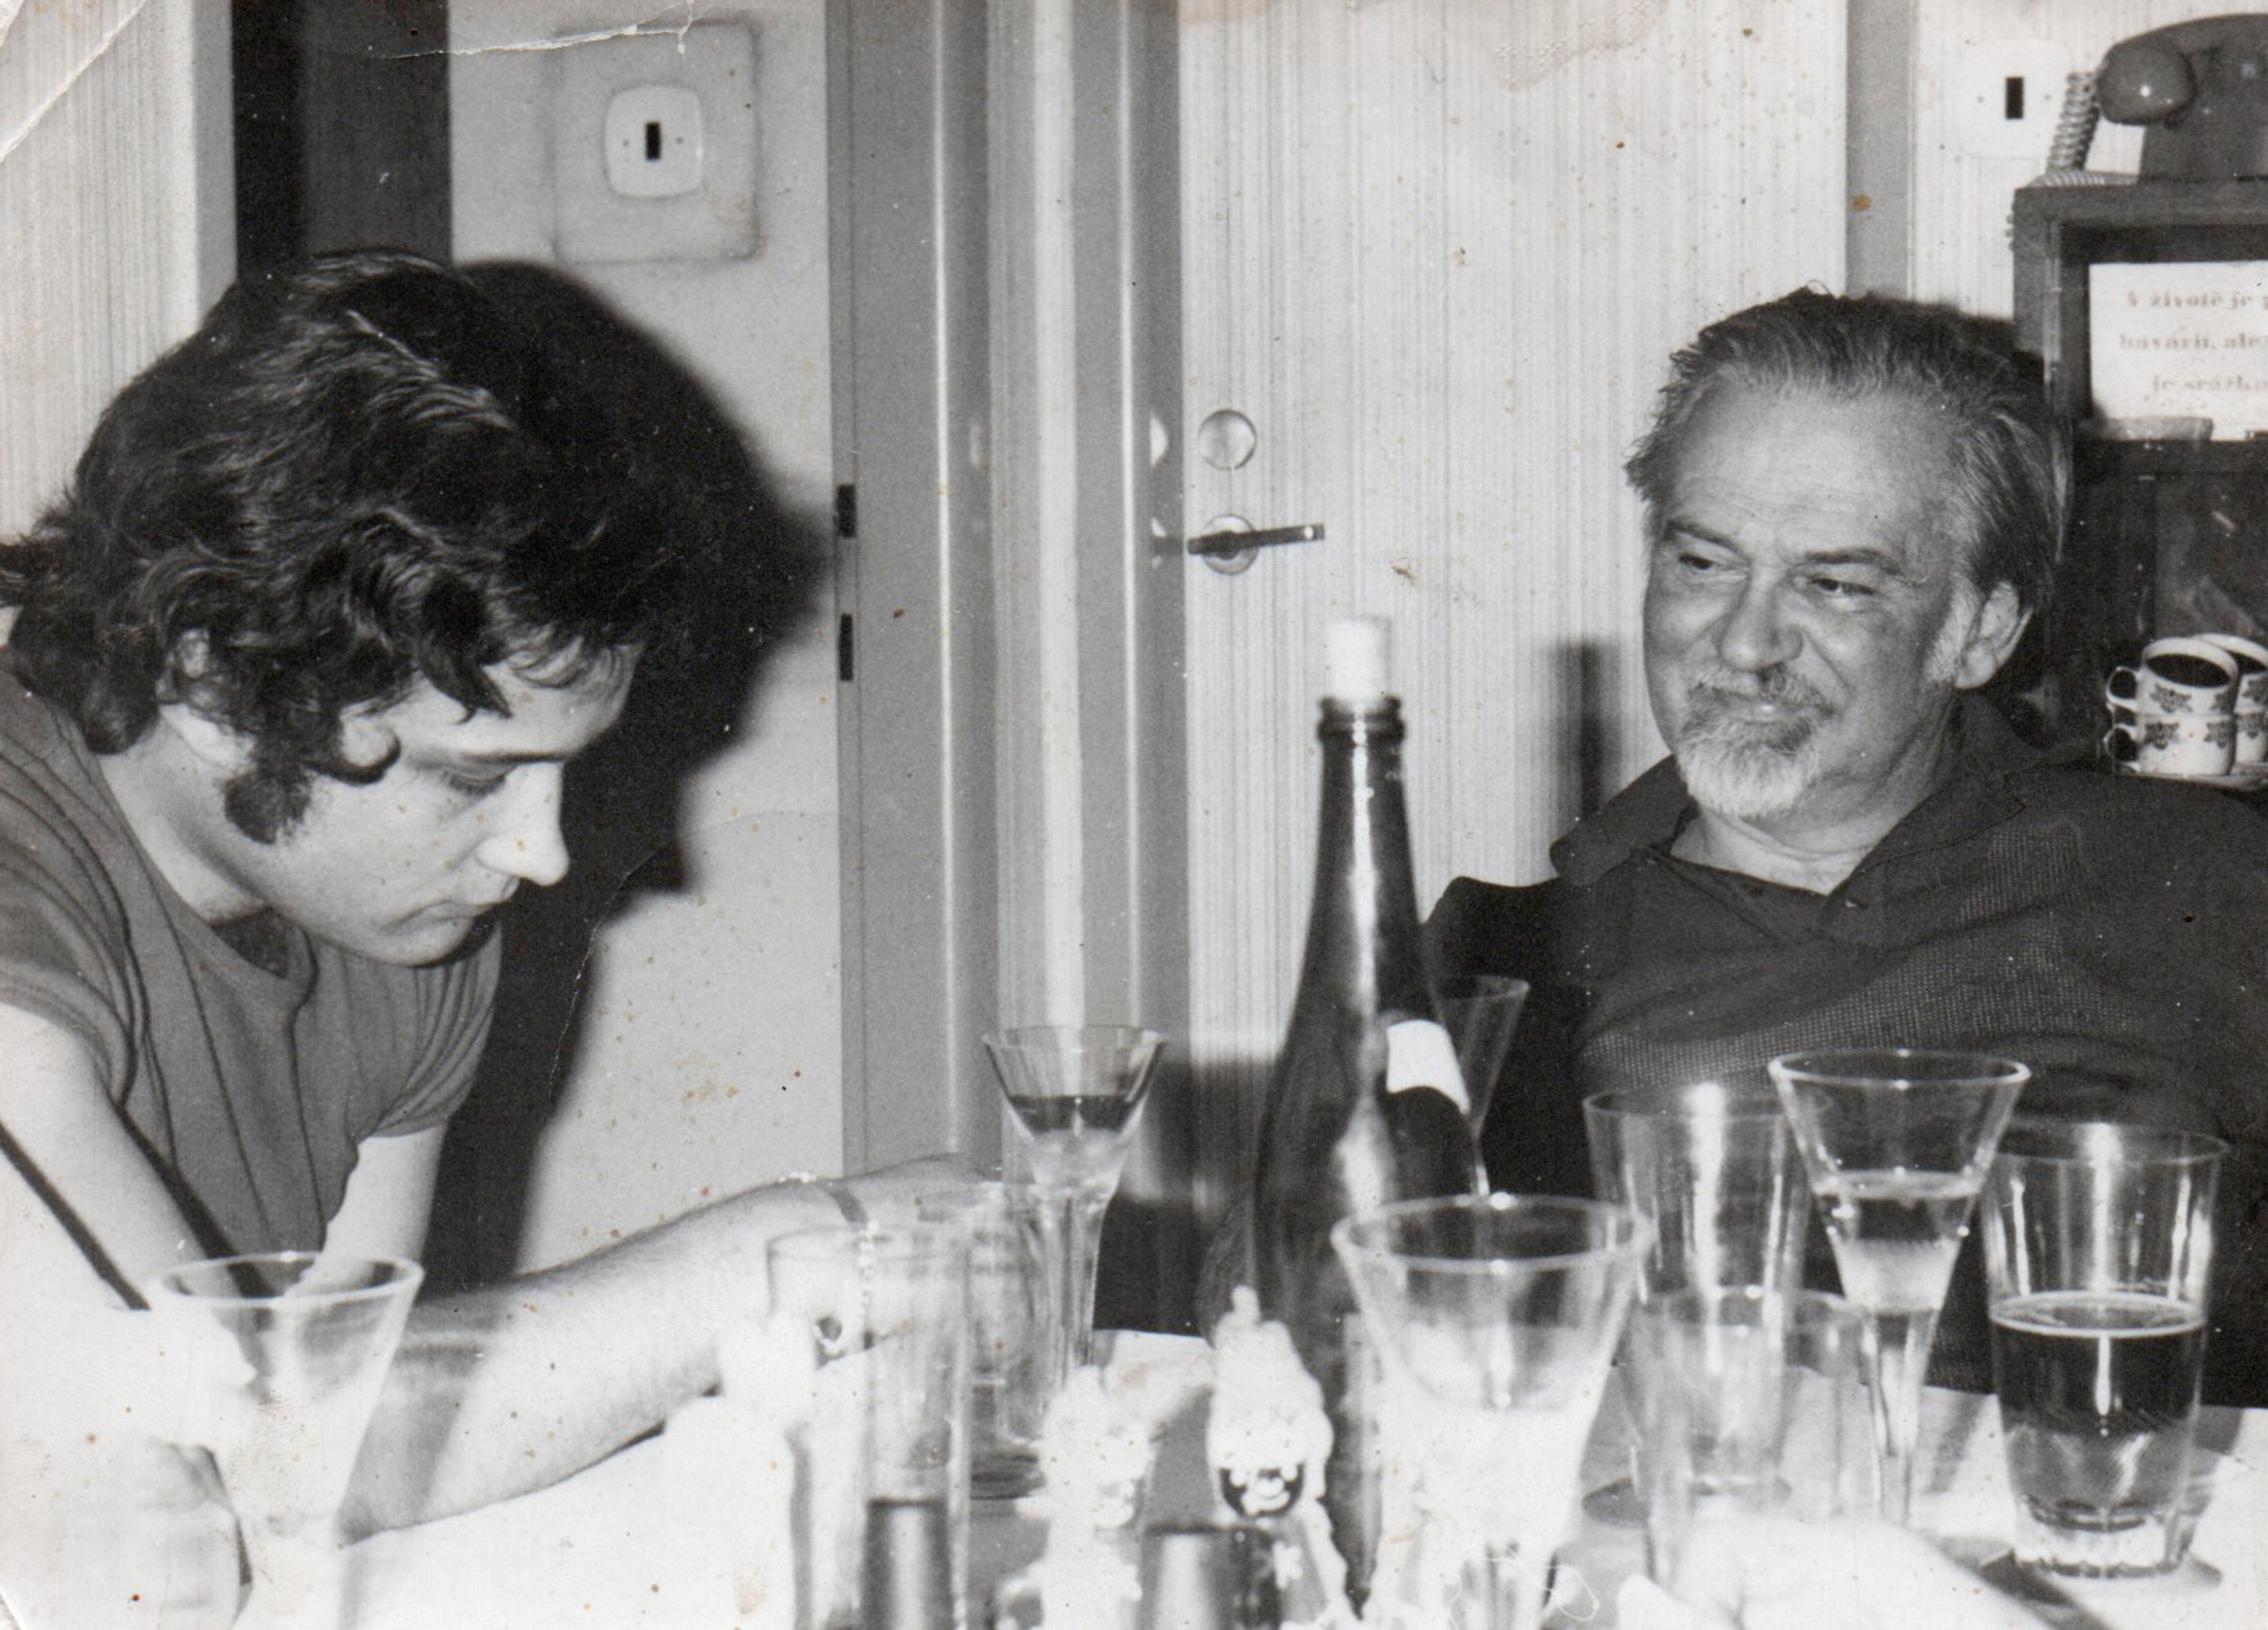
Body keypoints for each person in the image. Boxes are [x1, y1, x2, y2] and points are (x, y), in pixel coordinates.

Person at [0, 251, 952, 1613]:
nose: (540, 854)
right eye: (473, 777)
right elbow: (187, 1476)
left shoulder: (402, 917)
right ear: (210, 682)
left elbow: (342, 1467)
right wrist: (787, 1252)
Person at [1428, 288, 2268, 1407]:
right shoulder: (1502, 960)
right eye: (1703, 564)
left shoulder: (2194, 880)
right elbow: (1297, 1318)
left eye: (1832, 585)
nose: (1744, 643)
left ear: (1981, 629)